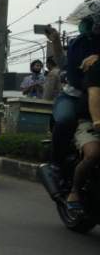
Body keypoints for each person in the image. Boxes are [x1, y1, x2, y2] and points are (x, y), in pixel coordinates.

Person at [51, 16, 100, 172]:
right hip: (74, 96)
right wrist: (56, 41)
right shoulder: (78, 44)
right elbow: (65, 64)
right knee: (65, 120)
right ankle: (56, 163)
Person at [66, 58, 100, 213]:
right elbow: (95, 95)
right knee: (93, 153)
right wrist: (97, 121)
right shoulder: (96, 67)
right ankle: (75, 191)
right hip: (90, 120)